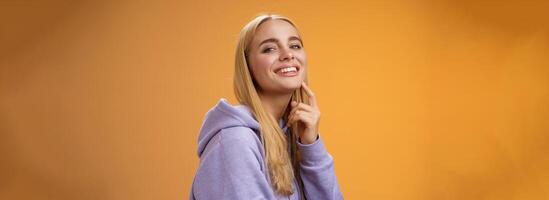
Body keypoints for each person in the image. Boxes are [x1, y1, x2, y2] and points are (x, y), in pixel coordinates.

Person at [190, 13, 343, 200]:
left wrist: (311, 147)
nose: (288, 55)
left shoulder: (290, 134)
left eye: (295, 45)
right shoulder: (235, 141)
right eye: (269, 49)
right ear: (248, 68)